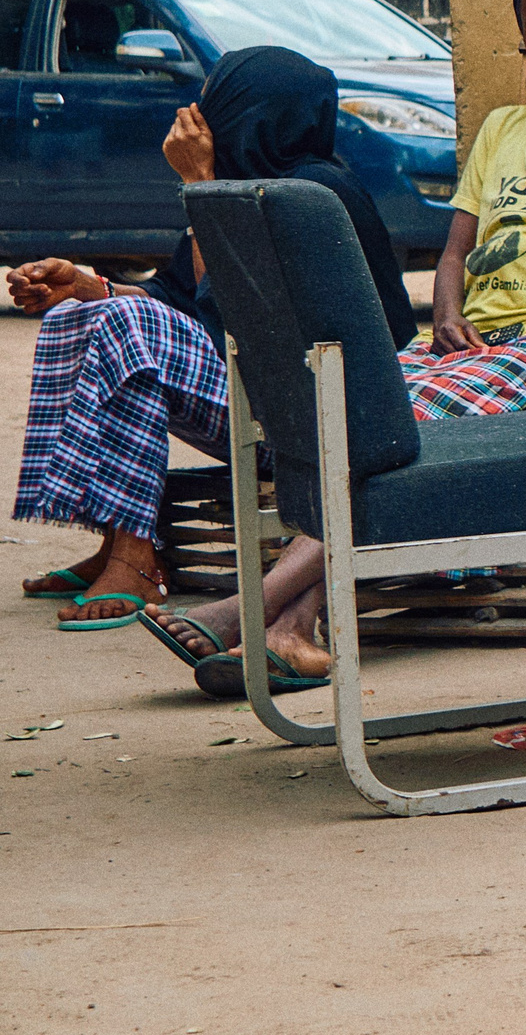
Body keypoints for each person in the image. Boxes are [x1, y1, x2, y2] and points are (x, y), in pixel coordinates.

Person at [143, 0, 526, 695]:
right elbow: (458, 249)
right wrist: (451, 312)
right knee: (336, 408)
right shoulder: (502, 130)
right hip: (477, 345)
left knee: (401, 421)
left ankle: (261, 606)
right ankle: (296, 632)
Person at [11, 47, 415, 628]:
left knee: (129, 328)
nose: (198, 115)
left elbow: (230, 310)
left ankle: (138, 560)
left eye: (219, 104)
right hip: (250, 389)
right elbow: (178, 300)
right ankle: (115, 540)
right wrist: (85, 286)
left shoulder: (315, 193)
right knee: (78, 318)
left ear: (253, 115)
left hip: (314, 414)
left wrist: (199, 184)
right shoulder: (239, 184)